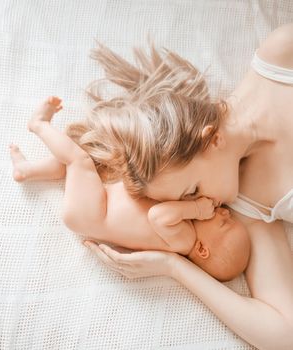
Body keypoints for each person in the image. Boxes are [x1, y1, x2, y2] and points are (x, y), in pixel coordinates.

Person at [71, 25, 292, 349]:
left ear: (209, 139)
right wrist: (173, 267)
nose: (200, 205)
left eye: (192, 190)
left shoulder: (280, 57)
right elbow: (284, 334)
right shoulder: (247, 207)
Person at [9, 96, 250, 282]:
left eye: (225, 223)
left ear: (202, 249)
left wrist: (197, 209)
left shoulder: (185, 241)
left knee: (78, 161)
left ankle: (39, 125)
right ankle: (28, 170)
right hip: (98, 203)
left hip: (93, 213)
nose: (227, 213)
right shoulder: (185, 227)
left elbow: (159, 216)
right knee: (85, 166)